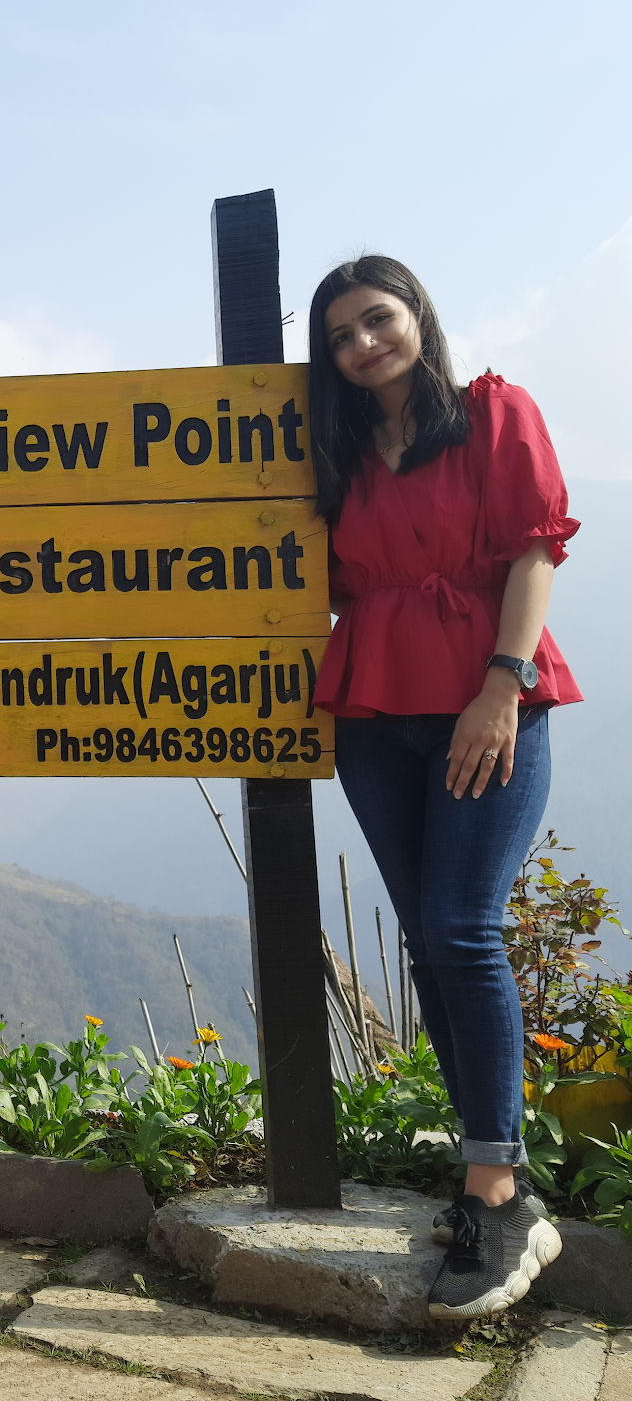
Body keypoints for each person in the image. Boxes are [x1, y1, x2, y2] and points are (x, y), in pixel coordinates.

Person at [309, 256, 579, 1318]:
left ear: (415, 314)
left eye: (376, 318)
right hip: (376, 714)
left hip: (483, 695)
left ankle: (497, 1188)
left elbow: (533, 552)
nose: (363, 343)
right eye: (340, 335)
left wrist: (500, 687)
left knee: (463, 927)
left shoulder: (490, 412)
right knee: (427, 935)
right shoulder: (339, 452)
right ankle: (491, 1169)